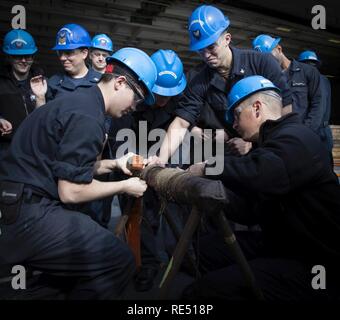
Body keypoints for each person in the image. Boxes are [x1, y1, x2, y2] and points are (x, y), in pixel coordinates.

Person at [0, 47, 157, 300]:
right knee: (119, 260)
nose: (135, 108)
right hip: (30, 214)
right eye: (136, 98)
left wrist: (116, 164)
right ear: (119, 83)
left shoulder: (81, 102)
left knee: (71, 274)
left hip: (16, 204)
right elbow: (71, 191)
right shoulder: (88, 117)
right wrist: (125, 186)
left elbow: (69, 167)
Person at [183, 75, 340, 300]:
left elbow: (264, 172)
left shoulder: (298, 138)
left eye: (236, 115)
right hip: (283, 244)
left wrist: (207, 167)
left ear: (257, 108)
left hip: (317, 266)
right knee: (198, 252)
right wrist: (212, 195)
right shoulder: (273, 145)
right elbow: (252, 212)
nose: (234, 125)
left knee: (203, 291)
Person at [151, 5, 292, 165]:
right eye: (200, 51)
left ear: (227, 39)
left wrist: (253, 143)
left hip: (272, 149)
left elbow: (285, 112)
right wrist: (160, 159)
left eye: (211, 47)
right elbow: (182, 122)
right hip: (228, 153)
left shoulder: (261, 63)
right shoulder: (199, 78)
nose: (206, 56)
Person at [253, 35, 324, 138]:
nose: (268, 62)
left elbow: (317, 105)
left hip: (305, 134)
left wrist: (305, 132)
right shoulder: (266, 79)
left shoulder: (308, 72)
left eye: (269, 57)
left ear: (279, 49)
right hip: (281, 136)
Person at [0, 29, 47, 160]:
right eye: (17, 56)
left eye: (28, 56)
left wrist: (40, 97)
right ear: (8, 57)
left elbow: (46, 119)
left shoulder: (42, 81)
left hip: (34, 150)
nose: (24, 60)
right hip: (5, 151)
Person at [46, 23, 102, 101]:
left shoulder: (101, 82)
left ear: (84, 53)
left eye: (68, 52)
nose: (62, 58)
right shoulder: (53, 82)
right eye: (60, 53)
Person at [298, 50, 333, 155]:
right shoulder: (325, 80)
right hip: (324, 129)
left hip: (313, 130)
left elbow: (317, 108)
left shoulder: (306, 80)